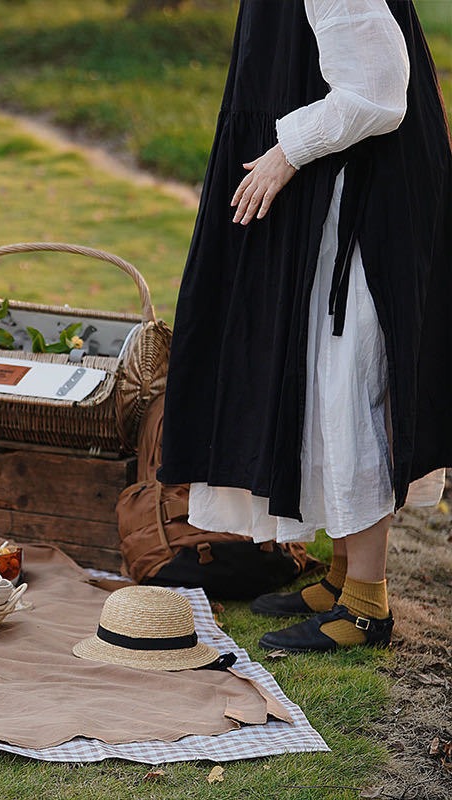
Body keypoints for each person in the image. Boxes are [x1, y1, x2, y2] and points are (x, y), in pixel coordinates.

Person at [158, 0, 451, 653]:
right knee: (323, 374)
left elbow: (378, 90)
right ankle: (345, 575)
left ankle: (367, 605)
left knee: (351, 379)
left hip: (362, 200)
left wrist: (287, 149)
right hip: (332, 190)